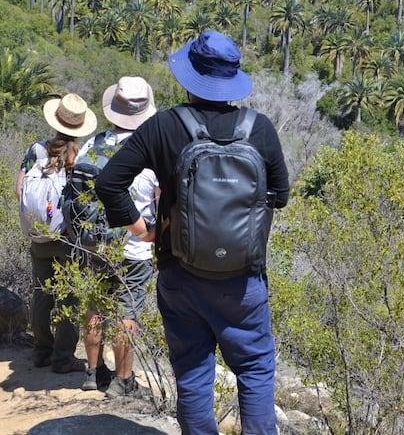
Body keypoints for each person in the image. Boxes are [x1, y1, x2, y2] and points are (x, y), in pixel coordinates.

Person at [96, 31, 290, 434]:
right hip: (243, 281)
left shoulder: (163, 126)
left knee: (193, 370)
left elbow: (109, 181)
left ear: (190, 77)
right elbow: (281, 196)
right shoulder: (261, 129)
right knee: (254, 369)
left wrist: (141, 229)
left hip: (180, 274)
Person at [80, 76, 160, 396]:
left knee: (95, 307)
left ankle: (91, 372)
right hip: (136, 244)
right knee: (128, 312)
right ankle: (123, 381)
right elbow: (160, 198)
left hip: (96, 240)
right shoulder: (151, 152)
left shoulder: (92, 145)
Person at [20, 93, 100, 375]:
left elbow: (19, 189)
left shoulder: (36, 150)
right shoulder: (80, 156)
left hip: (39, 235)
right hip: (68, 238)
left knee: (42, 292)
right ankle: (63, 357)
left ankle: (41, 351)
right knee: (70, 297)